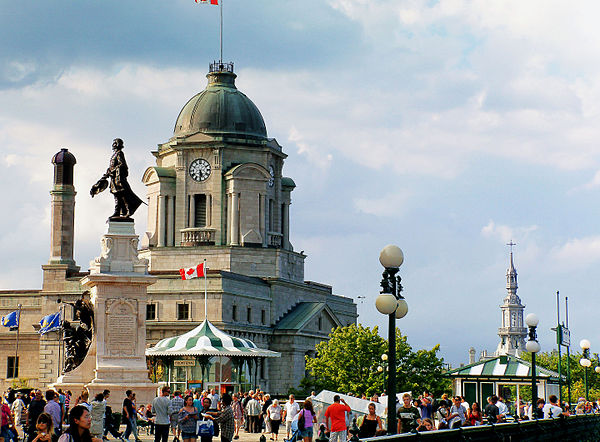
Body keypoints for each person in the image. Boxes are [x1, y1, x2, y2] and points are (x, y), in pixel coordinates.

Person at [91, 138, 143, 219]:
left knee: (123, 194)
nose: (113, 145)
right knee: (117, 195)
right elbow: (111, 167)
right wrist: (107, 174)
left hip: (119, 180)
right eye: (113, 143)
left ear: (118, 144)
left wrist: (113, 170)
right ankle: (117, 212)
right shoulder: (114, 155)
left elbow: (122, 165)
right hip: (114, 179)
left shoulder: (119, 153)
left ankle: (129, 210)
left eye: (115, 143)